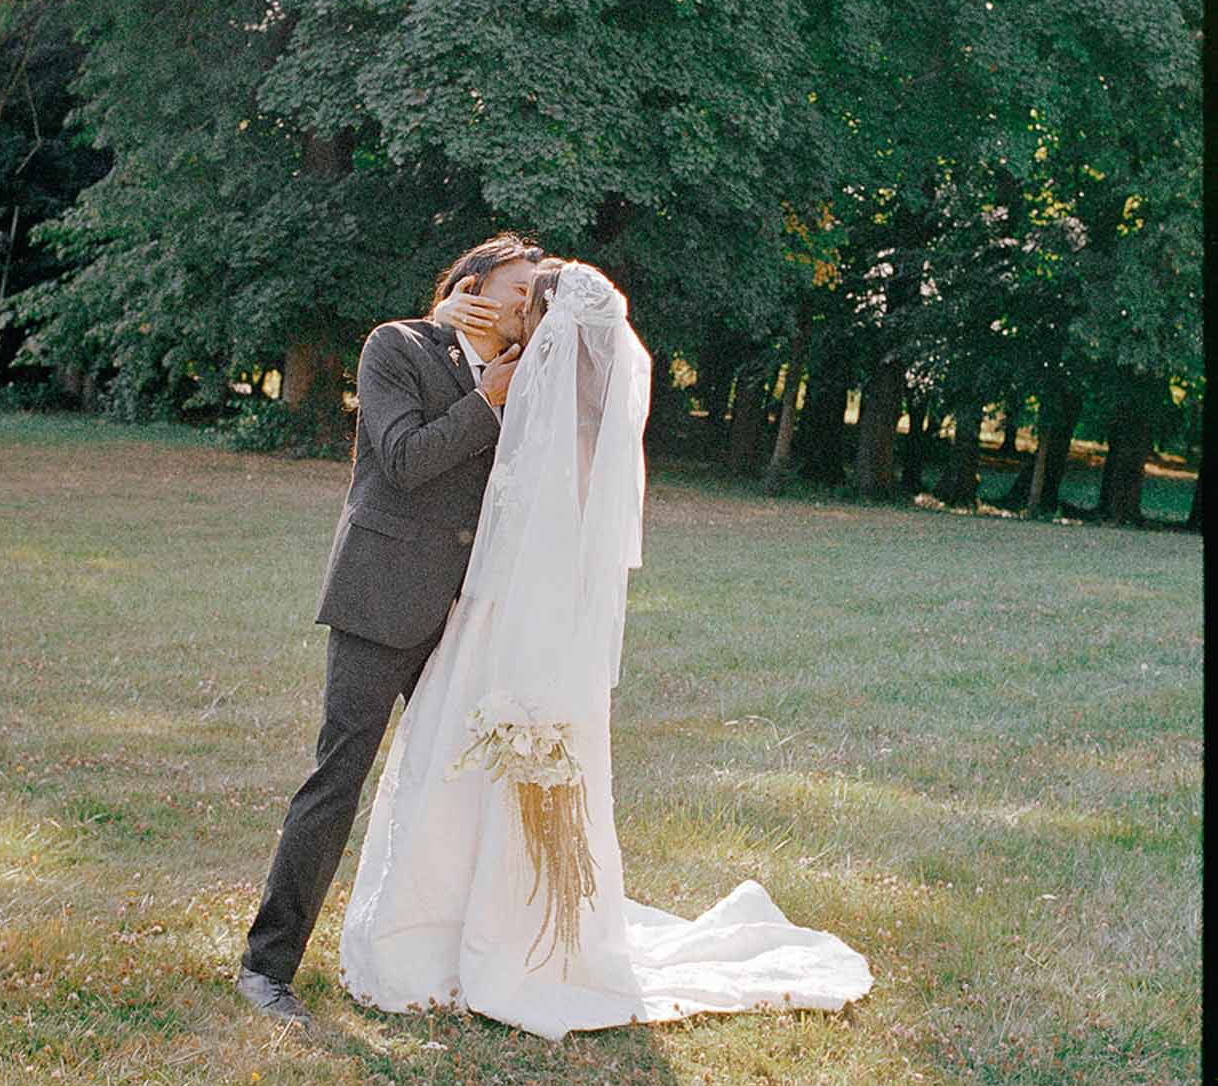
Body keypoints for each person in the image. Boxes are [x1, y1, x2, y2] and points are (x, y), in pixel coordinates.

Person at [340, 260, 872, 1040]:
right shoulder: (527, 398)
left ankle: (484, 942)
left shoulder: (551, 421)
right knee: (452, 777)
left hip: (509, 626)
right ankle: (463, 933)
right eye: (509, 296)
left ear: (549, 327)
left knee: (462, 774)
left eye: (527, 304)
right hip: (489, 621)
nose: (513, 313)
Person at [236, 233, 544, 1023]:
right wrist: (485, 402)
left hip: (469, 618)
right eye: (516, 291)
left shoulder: (534, 376)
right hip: (383, 601)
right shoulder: (396, 347)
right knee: (337, 781)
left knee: (461, 790)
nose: (527, 305)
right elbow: (403, 459)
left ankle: (442, 959)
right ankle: (266, 967)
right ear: (472, 288)